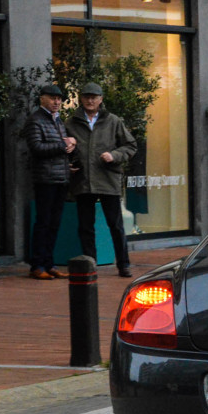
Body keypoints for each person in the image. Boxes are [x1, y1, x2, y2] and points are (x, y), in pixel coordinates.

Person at [67, 82, 137, 278]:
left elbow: (130, 145)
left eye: (94, 97)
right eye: (87, 97)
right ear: (81, 99)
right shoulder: (71, 123)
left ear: (101, 100)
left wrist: (114, 155)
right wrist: (68, 162)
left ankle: (123, 264)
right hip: (83, 181)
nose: (90, 100)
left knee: (115, 225)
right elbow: (63, 149)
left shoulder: (113, 121)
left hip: (108, 180)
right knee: (85, 227)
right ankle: (90, 265)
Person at [25, 83, 76, 281]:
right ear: (42, 99)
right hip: (45, 179)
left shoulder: (58, 121)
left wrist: (68, 162)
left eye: (59, 99)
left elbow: (59, 149)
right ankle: (37, 265)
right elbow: (37, 148)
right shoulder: (35, 120)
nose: (56, 102)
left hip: (61, 178)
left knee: (54, 224)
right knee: (43, 223)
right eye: (52, 98)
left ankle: (49, 263)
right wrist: (63, 145)